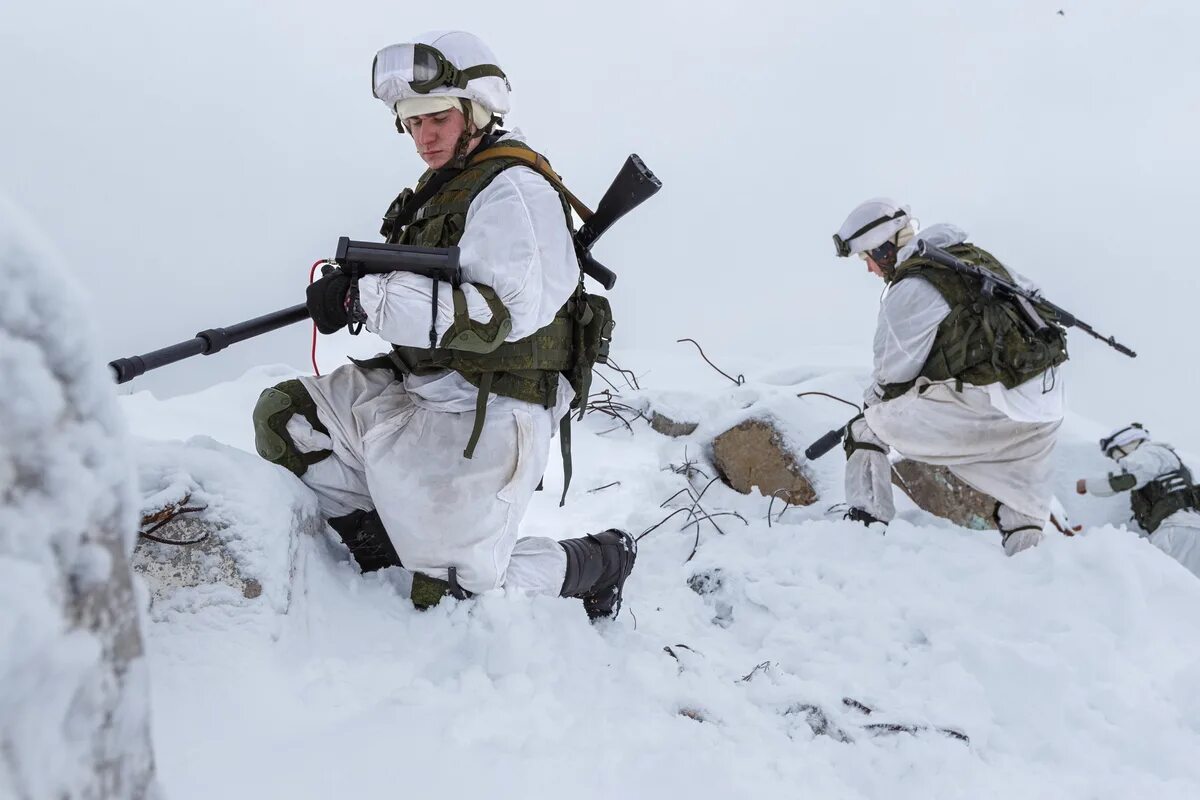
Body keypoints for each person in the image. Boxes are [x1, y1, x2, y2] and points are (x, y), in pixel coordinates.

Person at [251, 30, 635, 619]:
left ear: (476, 112)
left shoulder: (515, 191)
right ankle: (391, 560)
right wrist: (355, 287)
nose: (423, 137)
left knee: (452, 601)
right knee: (289, 421)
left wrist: (366, 300)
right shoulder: (443, 189)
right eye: (411, 123)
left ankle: (600, 562)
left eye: (436, 119)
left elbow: (495, 314)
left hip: (490, 409)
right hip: (419, 387)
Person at [831, 198, 1068, 555]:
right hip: (1045, 407)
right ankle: (1030, 566)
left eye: (867, 258)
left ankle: (866, 532)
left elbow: (891, 377)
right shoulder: (980, 261)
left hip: (986, 404)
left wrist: (871, 408)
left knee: (867, 427)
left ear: (883, 248)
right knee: (1023, 498)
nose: (870, 270)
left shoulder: (910, 288)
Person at [1077, 424, 1200, 578]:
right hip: (1191, 530)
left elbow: (1124, 480)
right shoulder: (1168, 460)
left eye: (1114, 454)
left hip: (1175, 532)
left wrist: (1087, 484)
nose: (1118, 460)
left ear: (1126, 444)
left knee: (1164, 591)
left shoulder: (1148, 452)